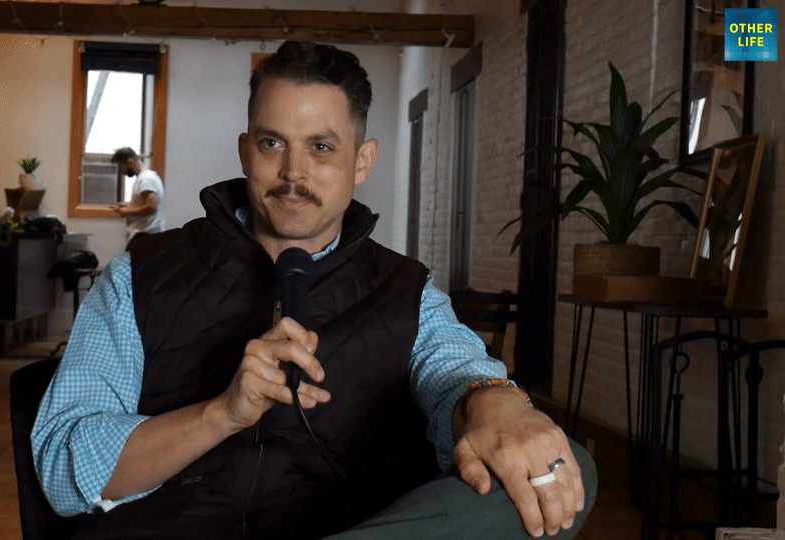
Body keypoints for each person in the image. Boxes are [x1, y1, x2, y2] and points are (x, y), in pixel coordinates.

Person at [33, 40, 596, 540]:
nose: (293, 172)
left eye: (321, 147)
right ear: (245, 151)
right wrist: (220, 414)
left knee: (562, 466)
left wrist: (492, 400)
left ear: (363, 161)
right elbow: (62, 469)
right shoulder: (139, 275)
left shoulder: (406, 291)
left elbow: (455, 370)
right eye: (272, 143)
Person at [109, 147, 166, 246]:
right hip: (147, 236)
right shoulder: (148, 176)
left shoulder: (145, 180)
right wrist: (128, 205)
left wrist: (126, 212)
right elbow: (146, 204)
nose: (122, 172)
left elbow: (151, 207)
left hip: (146, 236)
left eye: (121, 167)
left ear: (130, 162)